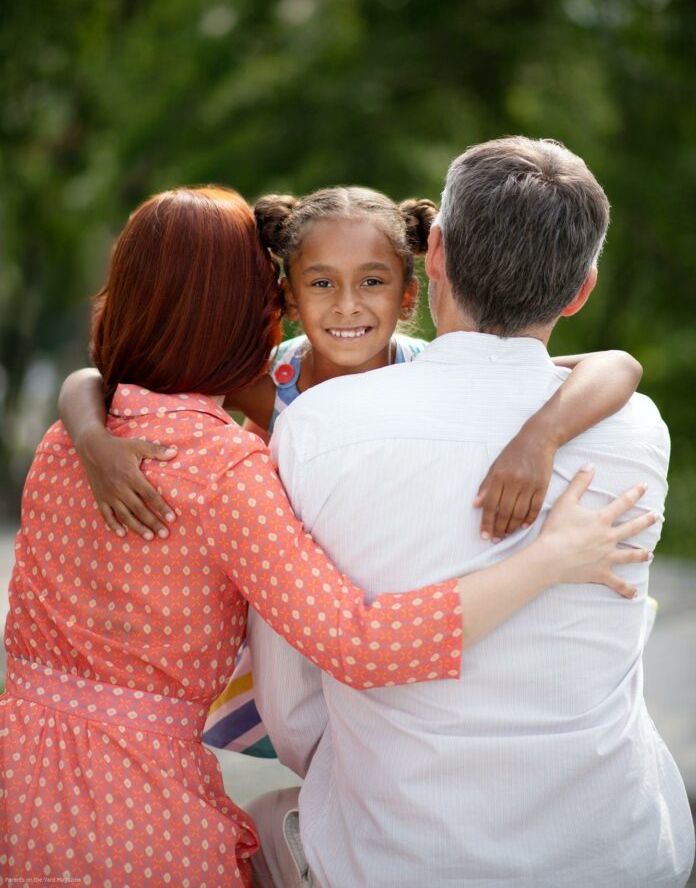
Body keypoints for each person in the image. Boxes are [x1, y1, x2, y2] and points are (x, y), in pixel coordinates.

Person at [0, 186, 652, 886]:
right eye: (316, 286)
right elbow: (358, 643)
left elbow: (615, 365)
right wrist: (548, 558)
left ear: (406, 293)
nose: (345, 306)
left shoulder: (60, 449)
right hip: (251, 690)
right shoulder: (245, 435)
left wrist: (541, 436)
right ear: (278, 300)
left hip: (23, 767)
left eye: (371, 282)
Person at [243, 141, 695, 887]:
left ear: (436, 257)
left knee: (264, 821)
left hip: (399, 859)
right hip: (621, 851)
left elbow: (289, 707)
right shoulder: (638, 430)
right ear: (580, 290)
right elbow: (611, 370)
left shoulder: (315, 427)